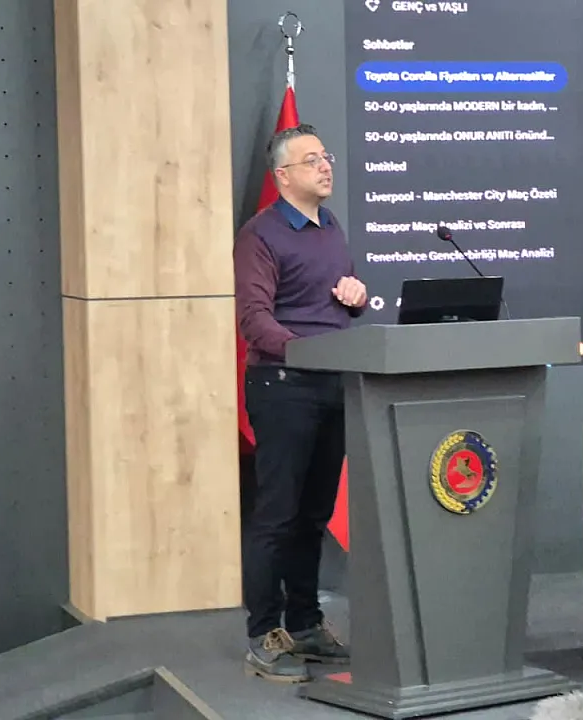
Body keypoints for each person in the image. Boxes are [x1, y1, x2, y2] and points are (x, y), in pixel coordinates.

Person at [233, 123, 367, 682]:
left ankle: (306, 623)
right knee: (278, 514)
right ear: (283, 176)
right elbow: (253, 320)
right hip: (283, 386)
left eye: (325, 156)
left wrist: (356, 295)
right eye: (311, 160)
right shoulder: (260, 235)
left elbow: (340, 295)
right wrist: (305, 351)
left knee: (313, 513)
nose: (325, 165)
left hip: (332, 383)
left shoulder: (329, 226)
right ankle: (264, 633)